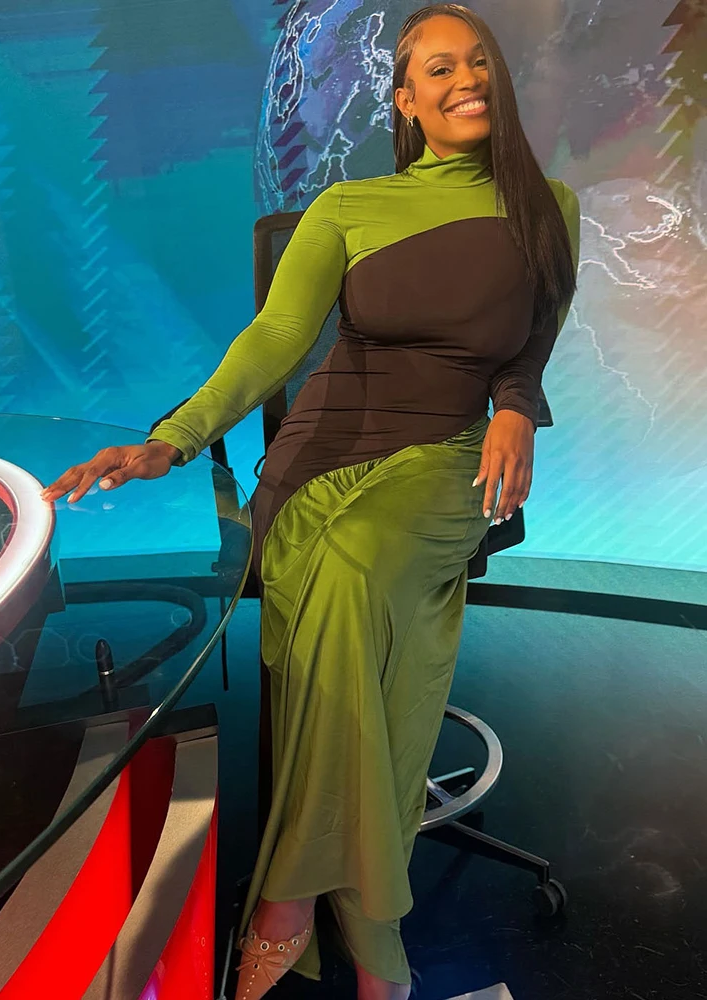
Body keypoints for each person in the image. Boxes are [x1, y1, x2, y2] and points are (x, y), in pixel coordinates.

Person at [42, 5, 580, 998]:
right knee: (338, 573)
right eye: (437, 69)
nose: (465, 79)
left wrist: (516, 406)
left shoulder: (549, 207)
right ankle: (375, 945)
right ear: (406, 101)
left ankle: (292, 903)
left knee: (354, 568)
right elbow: (275, 341)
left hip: (450, 457)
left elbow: (534, 337)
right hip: (322, 454)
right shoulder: (348, 208)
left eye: (478, 61)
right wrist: (173, 438)